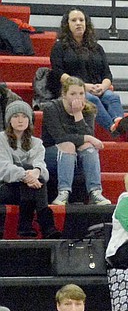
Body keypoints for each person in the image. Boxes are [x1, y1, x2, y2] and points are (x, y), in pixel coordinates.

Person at [49, 8, 128, 138]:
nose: (78, 23)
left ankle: (119, 121)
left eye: (81, 20)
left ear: (87, 23)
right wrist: (83, 87)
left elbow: (107, 75)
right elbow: (59, 73)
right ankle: (112, 128)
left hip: (97, 88)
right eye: (74, 20)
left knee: (112, 97)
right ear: (67, 25)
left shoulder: (97, 48)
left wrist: (103, 86)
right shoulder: (59, 47)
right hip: (73, 91)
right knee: (91, 99)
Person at [41, 76, 110, 206]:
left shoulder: (88, 109)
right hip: (51, 154)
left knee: (88, 146)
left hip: (76, 154)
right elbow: (59, 137)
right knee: (69, 145)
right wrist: (87, 138)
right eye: (73, 94)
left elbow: (88, 135)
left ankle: (95, 192)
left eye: (81, 93)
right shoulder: (51, 108)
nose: (77, 97)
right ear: (64, 94)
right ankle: (63, 192)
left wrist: (78, 114)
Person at [0, 100, 59, 238]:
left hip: (28, 190)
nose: (20, 120)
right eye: (16, 116)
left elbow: (43, 169)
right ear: (9, 120)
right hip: (5, 188)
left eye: (24, 116)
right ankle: (45, 225)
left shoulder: (37, 143)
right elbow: (3, 168)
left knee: (38, 176)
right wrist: (26, 175)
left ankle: (26, 224)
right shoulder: (1, 139)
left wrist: (37, 171)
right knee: (30, 170)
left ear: (29, 120)